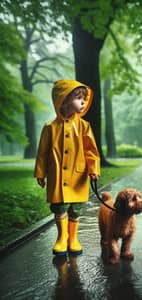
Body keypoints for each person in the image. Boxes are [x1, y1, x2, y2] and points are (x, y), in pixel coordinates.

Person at [34, 79, 100, 256]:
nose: (83, 102)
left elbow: (91, 151)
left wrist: (94, 169)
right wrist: (40, 173)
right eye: (78, 98)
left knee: (76, 208)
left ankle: (73, 238)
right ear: (62, 100)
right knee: (60, 207)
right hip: (57, 176)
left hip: (78, 175)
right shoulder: (50, 127)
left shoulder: (84, 126)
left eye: (84, 98)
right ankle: (62, 238)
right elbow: (42, 152)